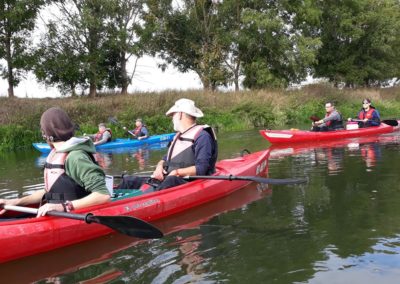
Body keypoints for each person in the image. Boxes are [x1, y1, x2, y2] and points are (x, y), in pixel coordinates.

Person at [0, 107, 110, 217]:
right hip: (57, 212)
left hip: (75, 214)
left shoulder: (75, 157)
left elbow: (103, 195)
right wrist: (15, 201)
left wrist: (64, 206)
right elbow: (50, 192)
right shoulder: (55, 154)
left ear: (45, 134)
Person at [118, 98, 218, 191]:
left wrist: (177, 172)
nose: (172, 119)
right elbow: (167, 158)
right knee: (129, 180)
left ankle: (146, 199)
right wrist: (159, 166)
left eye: (173, 115)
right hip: (168, 179)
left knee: (171, 180)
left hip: (185, 182)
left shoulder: (202, 137)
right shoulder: (177, 136)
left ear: (180, 114)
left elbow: (201, 168)